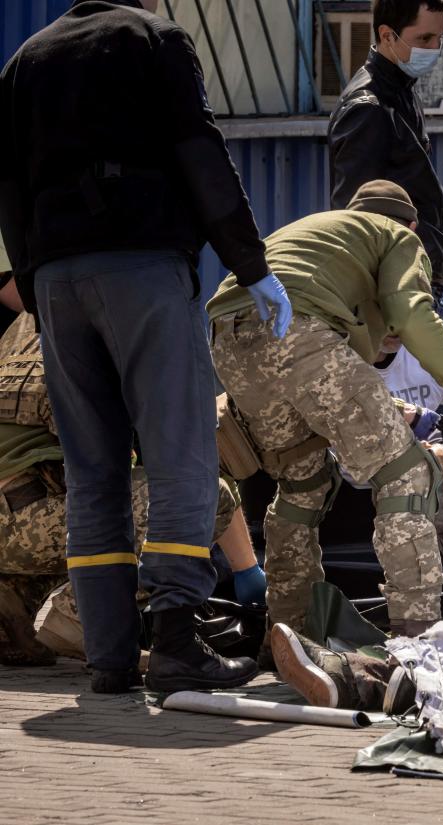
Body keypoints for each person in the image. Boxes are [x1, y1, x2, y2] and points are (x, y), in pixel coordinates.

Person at [0, 0, 291, 693]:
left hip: (58, 280)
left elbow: (8, 185)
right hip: (142, 266)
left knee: (92, 468)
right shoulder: (153, 38)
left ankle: (108, 655)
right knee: (180, 454)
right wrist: (250, 264)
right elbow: (199, 151)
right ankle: (179, 640)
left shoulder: (23, 63)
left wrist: (37, 281)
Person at [207, 180, 443, 639]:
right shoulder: (397, 236)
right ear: (411, 225)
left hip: (229, 338)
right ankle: (418, 636)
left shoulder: (319, 230)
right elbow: (409, 310)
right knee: (407, 472)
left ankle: (290, 631)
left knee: (302, 484)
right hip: (296, 331)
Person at [0, 301, 265, 664]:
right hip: (22, 511)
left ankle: (12, 607)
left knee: (79, 511)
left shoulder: (35, 316)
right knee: (198, 496)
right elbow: (183, 472)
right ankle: (85, 620)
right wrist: (247, 570)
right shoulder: (123, 328)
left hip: (19, 515)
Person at [328, 0, 443, 300]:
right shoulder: (368, 108)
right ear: (387, 36)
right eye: (424, 39)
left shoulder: (401, 91)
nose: (435, 48)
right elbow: (356, 219)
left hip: (411, 280)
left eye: (441, 38)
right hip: (393, 292)